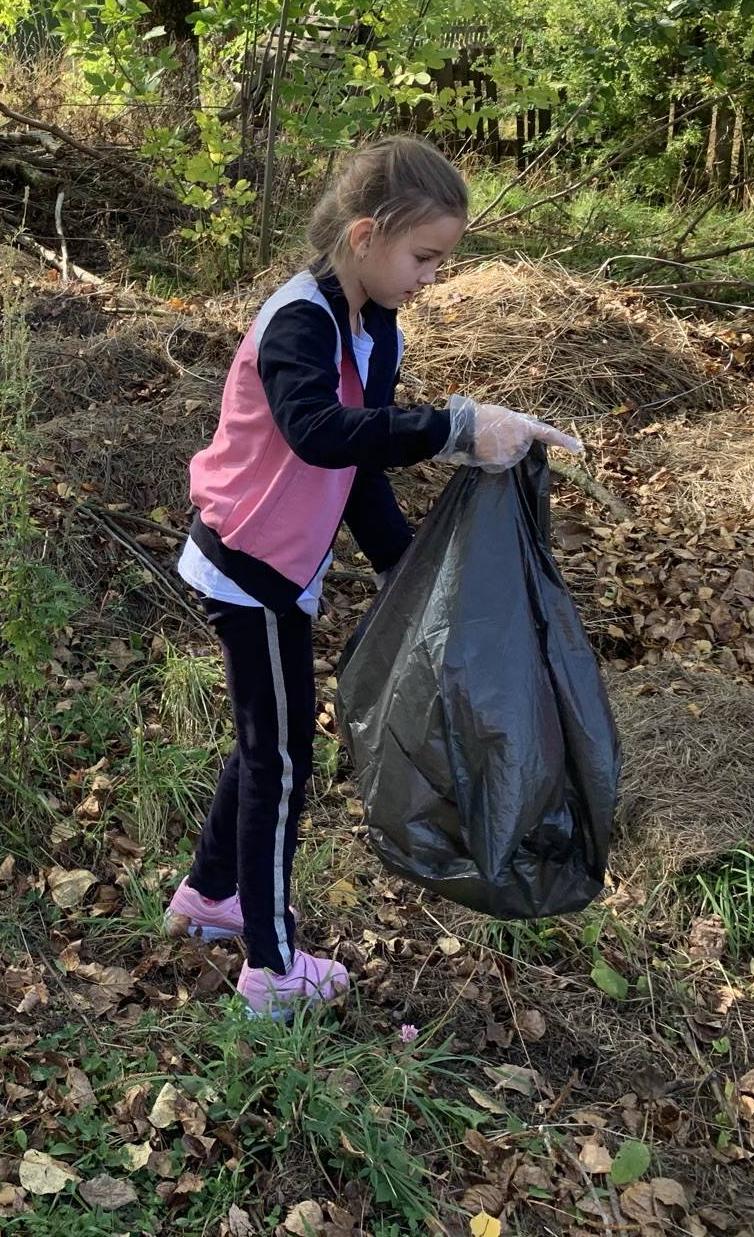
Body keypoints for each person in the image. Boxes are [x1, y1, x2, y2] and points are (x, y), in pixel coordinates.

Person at [167, 136, 582, 1015]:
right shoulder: (300, 321)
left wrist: (409, 575)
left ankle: (211, 895)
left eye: (443, 260)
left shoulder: (375, 328)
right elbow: (318, 432)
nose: (433, 277)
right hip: (247, 565)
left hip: (280, 566)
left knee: (264, 743)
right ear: (364, 234)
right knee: (281, 758)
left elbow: (359, 471)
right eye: (423, 256)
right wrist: (456, 428)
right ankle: (271, 967)